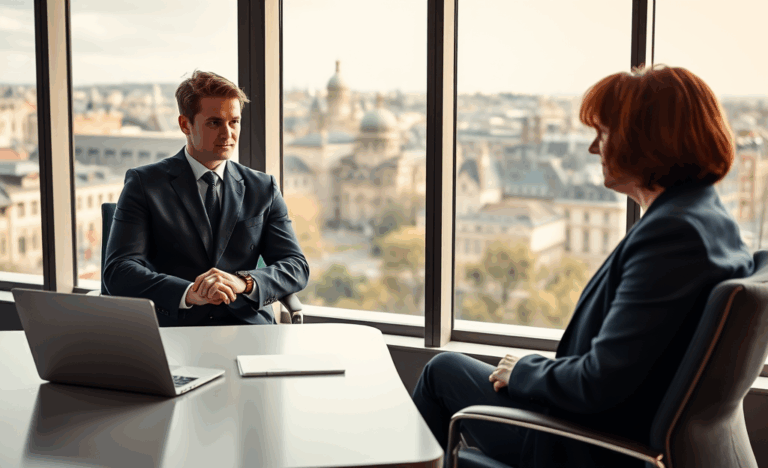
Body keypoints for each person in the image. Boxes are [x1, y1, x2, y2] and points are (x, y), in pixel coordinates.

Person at [412, 65, 754, 468]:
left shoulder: (672, 236)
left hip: (584, 444)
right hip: (619, 429)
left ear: (646, 142)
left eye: (604, 134)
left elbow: (601, 383)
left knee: (442, 371)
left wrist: (525, 371)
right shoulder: (708, 220)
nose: (594, 149)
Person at [103, 70, 309, 326]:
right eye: (214, 122)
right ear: (184, 124)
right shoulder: (144, 184)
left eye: (234, 121)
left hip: (247, 327)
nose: (228, 134)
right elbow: (118, 271)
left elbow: (295, 266)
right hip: (176, 328)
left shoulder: (263, 187)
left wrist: (243, 282)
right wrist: (189, 292)